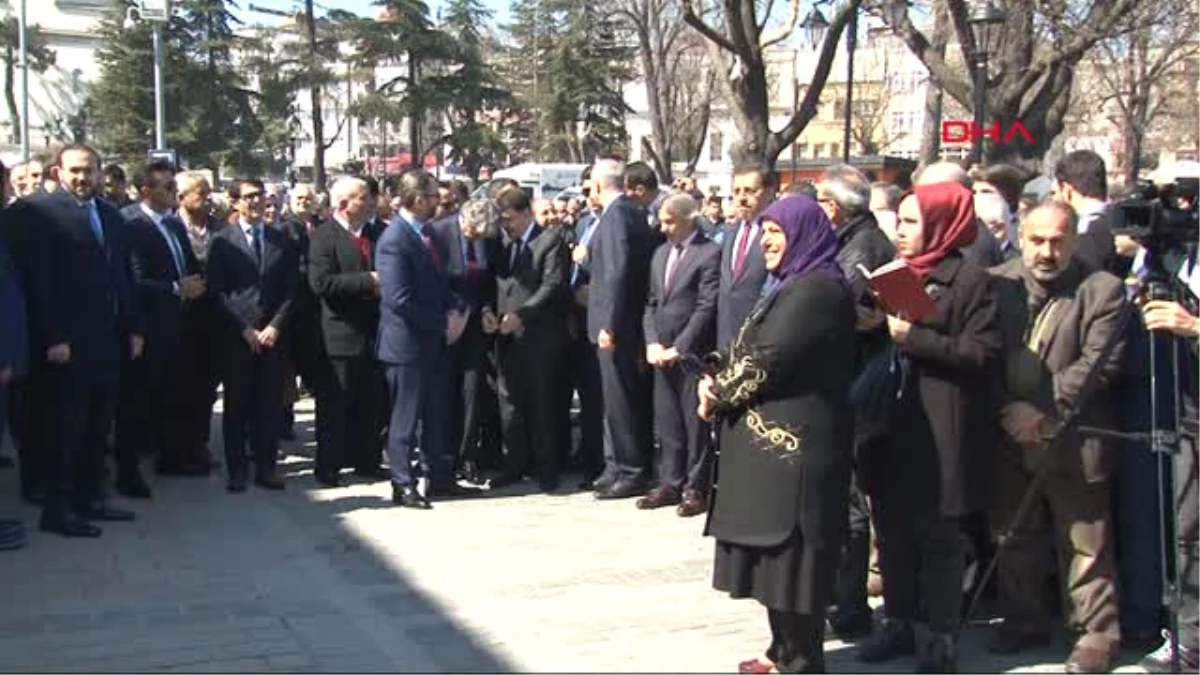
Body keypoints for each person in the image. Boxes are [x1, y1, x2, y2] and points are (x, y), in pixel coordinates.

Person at [698, 194, 856, 673]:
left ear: (804, 234)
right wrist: (713, 374)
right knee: (773, 563)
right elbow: (751, 345)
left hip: (799, 450)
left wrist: (716, 392)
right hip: (773, 449)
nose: (767, 240)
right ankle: (781, 649)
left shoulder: (816, 291)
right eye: (764, 231)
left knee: (793, 562)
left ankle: (801, 659)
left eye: (777, 232)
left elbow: (768, 360)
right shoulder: (790, 285)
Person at [857, 180, 1002, 671]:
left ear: (944, 224)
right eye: (899, 221)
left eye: (914, 222)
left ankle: (940, 636)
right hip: (892, 424)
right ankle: (898, 621)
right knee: (892, 530)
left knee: (938, 537)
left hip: (942, 429)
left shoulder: (970, 281)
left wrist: (913, 337)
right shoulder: (897, 273)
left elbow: (979, 353)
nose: (901, 231)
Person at [24, 145, 145, 537]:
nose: (82, 178)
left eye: (89, 170)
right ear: (59, 172)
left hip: (108, 340)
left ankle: (92, 497)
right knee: (65, 430)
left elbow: (123, 277)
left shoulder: (109, 215)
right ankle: (58, 511)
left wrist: (134, 328)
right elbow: (39, 284)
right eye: (75, 170)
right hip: (67, 345)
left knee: (98, 427)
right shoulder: (40, 213)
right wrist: (54, 336)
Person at [376, 169, 470, 509]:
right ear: (417, 199)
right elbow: (398, 299)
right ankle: (403, 484)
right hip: (407, 345)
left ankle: (439, 478)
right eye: (433, 197)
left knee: (436, 413)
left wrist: (457, 309)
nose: (439, 203)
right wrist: (442, 324)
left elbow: (440, 283)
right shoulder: (395, 240)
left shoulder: (425, 233)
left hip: (432, 341)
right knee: (406, 418)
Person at [205, 178, 300, 493]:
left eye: (261, 196)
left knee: (269, 404)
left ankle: (267, 465)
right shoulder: (222, 241)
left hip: (273, 335)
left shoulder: (282, 240)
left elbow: (291, 289)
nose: (257, 202)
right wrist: (244, 328)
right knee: (238, 404)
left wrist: (275, 325)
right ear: (235, 202)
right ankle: (237, 468)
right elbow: (217, 292)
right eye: (249, 197)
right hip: (237, 336)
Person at [484, 187, 570, 492]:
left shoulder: (550, 241)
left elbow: (552, 286)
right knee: (510, 403)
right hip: (505, 334)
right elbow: (492, 279)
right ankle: (515, 463)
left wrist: (522, 314)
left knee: (542, 403)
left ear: (525, 213)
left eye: (510, 219)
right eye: (502, 219)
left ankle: (547, 467)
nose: (506, 225)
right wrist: (489, 311)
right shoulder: (503, 243)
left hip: (539, 336)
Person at [639, 193, 720, 517]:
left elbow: (706, 306)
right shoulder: (660, 254)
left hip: (691, 355)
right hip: (661, 350)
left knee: (694, 423)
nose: (664, 227)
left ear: (689, 219)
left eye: (670, 221)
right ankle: (670, 481)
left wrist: (681, 347)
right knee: (668, 421)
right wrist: (652, 342)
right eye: (662, 220)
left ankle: (695, 487)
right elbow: (651, 303)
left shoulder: (709, 253)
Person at [307, 177, 386, 487]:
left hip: (374, 332)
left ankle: (367, 460)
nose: (369, 202)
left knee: (371, 403)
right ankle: (328, 465)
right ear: (343, 203)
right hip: (339, 335)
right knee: (334, 405)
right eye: (362, 198)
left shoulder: (379, 232)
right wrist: (368, 281)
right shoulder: (324, 236)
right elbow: (321, 284)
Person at [587, 159, 658, 499]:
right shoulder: (629, 212)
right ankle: (614, 463)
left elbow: (617, 273)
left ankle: (631, 469)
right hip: (624, 323)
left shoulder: (617, 216)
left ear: (600, 185)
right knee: (613, 400)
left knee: (621, 399)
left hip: (616, 326)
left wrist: (609, 324)